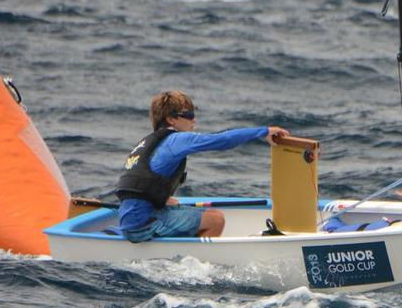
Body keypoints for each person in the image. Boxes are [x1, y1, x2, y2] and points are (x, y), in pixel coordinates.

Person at [115, 89, 289, 241]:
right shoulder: (177, 139)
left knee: (189, 209)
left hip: (129, 220)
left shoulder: (146, 144)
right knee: (216, 220)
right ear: (171, 119)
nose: (194, 120)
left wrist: (163, 199)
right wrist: (263, 131)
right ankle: (198, 267)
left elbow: (141, 187)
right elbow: (222, 140)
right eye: (188, 115)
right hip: (143, 225)